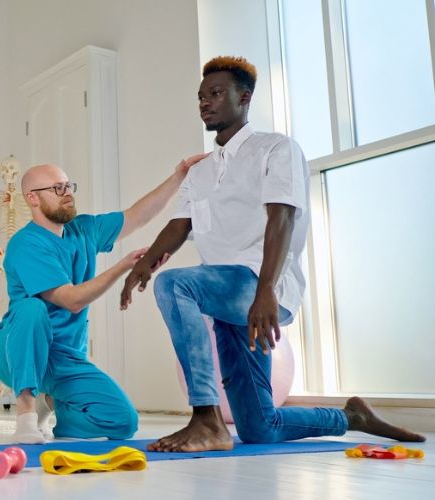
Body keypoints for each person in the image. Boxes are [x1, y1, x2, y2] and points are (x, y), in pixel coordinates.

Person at [120, 55, 426, 452]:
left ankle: (206, 419)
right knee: (259, 426)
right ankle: (351, 417)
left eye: (215, 93)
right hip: (225, 295)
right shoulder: (200, 172)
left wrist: (266, 290)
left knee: (174, 284)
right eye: (200, 97)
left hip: (259, 286)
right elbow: (181, 225)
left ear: (244, 97)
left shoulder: (276, 149)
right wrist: (143, 264)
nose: (205, 103)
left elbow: (280, 219)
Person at [0, 156, 206, 444]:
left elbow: (137, 216)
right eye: (57, 188)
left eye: (68, 186)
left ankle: (51, 405)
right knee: (32, 308)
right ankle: (26, 413)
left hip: (65, 357)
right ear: (32, 199)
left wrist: (179, 175)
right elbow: (71, 300)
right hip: (17, 353)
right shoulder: (26, 244)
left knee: (122, 422)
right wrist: (122, 266)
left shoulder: (84, 229)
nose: (67, 193)